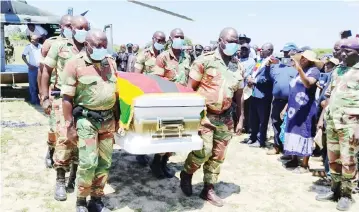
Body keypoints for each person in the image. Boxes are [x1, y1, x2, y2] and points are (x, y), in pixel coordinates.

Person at [180, 27, 244, 207]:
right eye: (229, 40)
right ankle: (187, 172)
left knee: (218, 156)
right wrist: (192, 115)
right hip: (205, 116)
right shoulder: (204, 61)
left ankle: (208, 188)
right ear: (220, 41)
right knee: (204, 151)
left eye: (236, 41)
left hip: (226, 117)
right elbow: (189, 89)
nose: (233, 44)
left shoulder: (237, 66)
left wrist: (241, 118)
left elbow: (239, 95)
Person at [61, 29, 119, 212]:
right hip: (87, 120)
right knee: (88, 163)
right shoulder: (74, 64)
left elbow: (116, 94)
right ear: (87, 44)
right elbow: (66, 99)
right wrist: (69, 126)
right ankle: (81, 200)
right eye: (98, 45)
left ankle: (96, 199)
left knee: (104, 163)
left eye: (105, 45)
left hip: (108, 121)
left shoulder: (110, 63)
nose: (103, 48)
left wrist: (118, 120)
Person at [41, 15, 89, 202]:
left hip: (84, 102)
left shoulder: (90, 47)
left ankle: (74, 176)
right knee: (63, 140)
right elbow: (46, 71)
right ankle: (60, 180)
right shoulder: (59, 46)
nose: (83, 31)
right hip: (63, 99)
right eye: (78, 27)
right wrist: (44, 96)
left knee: (81, 141)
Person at [316, 37, 359, 211]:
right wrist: (322, 119)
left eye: (347, 51)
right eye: (341, 50)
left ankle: (346, 195)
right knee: (333, 158)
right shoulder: (338, 70)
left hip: (351, 124)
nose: (342, 53)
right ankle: (334, 190)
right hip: (332, 121)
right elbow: (329, 96)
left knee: (348, 161)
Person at [149, 28, 191, 179]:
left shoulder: (187, 57)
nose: (179, 39)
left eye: (182, 36)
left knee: (175, 136)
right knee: (165, 135)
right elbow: (157, 81)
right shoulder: (163, 57)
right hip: (167, 102)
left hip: (181, 103)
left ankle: (164, 162)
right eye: (177, 36)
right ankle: (156, 163)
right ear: (171, 39)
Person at [39, 14, 73, 169]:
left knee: (66, 129)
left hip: (71, 93)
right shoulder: (51, 43)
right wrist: (43, 95)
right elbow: (43, 70)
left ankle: (68, 159)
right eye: (68, 25)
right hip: (55, 92)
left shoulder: (80, 45)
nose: (71, 28)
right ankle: (50, 149)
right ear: (61, 27)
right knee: (54, 127)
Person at [282, 50, 322, 173]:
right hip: (294, 109)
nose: (301, 60)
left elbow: (308, 84)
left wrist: (299, 69)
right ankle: (294, 158)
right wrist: (286, 107)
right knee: (293, 132)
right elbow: (293, 91)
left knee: (305, 133)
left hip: (306, 110)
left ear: (310, 61)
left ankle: (304, 164)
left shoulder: (314, 71)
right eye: (301, 58)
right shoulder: (299, 72)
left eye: (304, 58)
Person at [133, 31, 166, 166]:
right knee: (144, 125)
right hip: (146, 95)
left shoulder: (166, 56)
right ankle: (140, 153)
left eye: (162, 41)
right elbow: (136, 76)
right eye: (158, 40)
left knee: (158, 126)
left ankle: (157, 153)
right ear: (152, 39)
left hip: (161, 95)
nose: (160, 42)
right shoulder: (144, 54)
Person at [266, 44, 298, 155]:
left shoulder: (297, 67)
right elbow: (270, 76)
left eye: (287, 52)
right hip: (277, 100)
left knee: (289, 125)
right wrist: (267, 65)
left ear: (294, 52)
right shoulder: (277, 66)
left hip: (291, 102)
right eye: (284, 52)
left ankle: (288, 149)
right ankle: (277, 146)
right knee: (276, 122)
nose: (285, 54)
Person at [246, 43, 274, 147]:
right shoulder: (259, 61)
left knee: (263, 119)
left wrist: (255, 80)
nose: (260, 51)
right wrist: (250, 78)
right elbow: (254, 72)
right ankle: (253, 137)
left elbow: (269, 78)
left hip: (263, 95)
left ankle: (260, 140)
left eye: (262, 49)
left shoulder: (273, 62)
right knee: (253, 117)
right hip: (253, 93)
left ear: (270, 51)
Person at [236, 43, 256, 133]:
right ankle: (238, 126)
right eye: (242, 49)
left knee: (247, 109)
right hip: (237, 88)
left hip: (247, 88)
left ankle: (247, 127)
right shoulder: (237, 60)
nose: (243, 51)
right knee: (238, 107)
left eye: (245, 49)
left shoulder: (252, 61)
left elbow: (252, 74)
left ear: (249, 51)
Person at [22, 34, 42, 105]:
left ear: (38, 40)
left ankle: (40, 101)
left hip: (40, 69)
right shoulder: (28, 47)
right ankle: (34, 100)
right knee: (32, 85)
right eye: (32, 40)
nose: (33, 41)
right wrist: (28, 64)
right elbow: (23, 56)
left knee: (40, 85)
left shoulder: (41, 47)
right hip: (32, 69)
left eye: (34, 40)